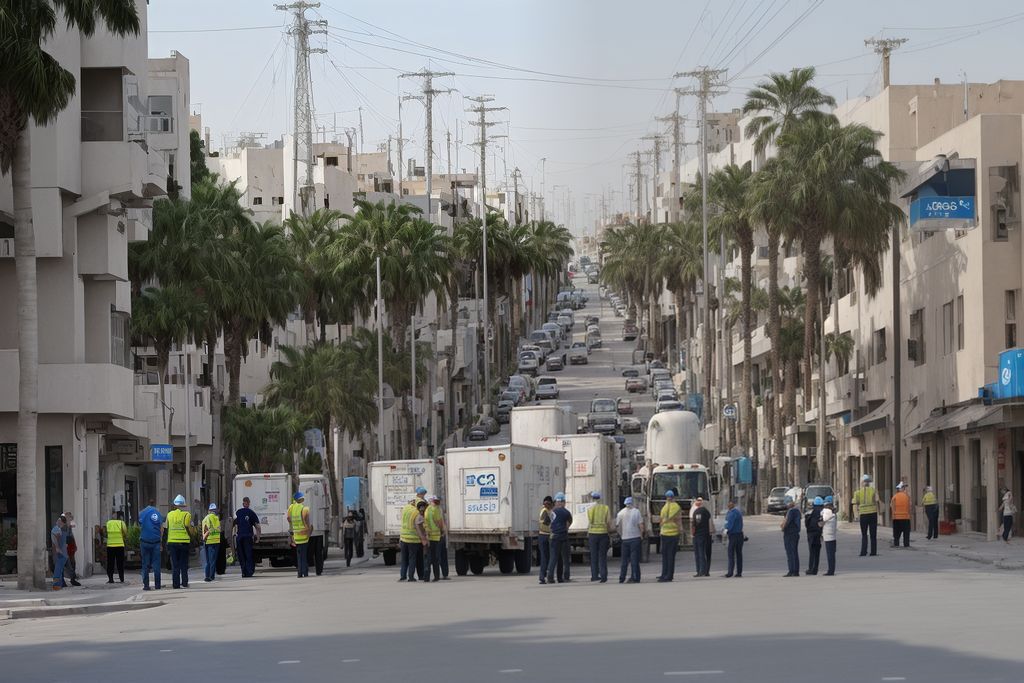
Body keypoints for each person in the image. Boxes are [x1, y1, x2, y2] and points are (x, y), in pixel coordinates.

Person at [165, 495, 193, 589]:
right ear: (184, 505)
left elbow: (167, 528)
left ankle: (176, 584)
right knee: (184, 564)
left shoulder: (169, 515)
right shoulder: (187, 515)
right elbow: (188, 527)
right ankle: (184, 583)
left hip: (172, 542)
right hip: (184, 542)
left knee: (175, 565)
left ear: (174, 505)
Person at [546, 492, 573, 584]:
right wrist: (565, 528)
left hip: (554, 537)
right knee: (565, 559)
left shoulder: (552, 512)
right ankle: (565, 577)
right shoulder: (566, 512)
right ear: (563, 502)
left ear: (556, 502)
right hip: (564, 537)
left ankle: (550, 577)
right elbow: (569, 522)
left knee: (553, 558)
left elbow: (547, 523)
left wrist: (552, 529)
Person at [617, 496, 644, 583]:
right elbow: (641, 525)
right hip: (635, 538)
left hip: (625, 539)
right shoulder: (636, 512)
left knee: (624, 560)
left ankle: (622, 578)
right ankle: (635, 577)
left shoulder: (620, 513)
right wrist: (641, 535)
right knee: (634, 560)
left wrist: (621, 535)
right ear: (632, 503)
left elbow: (617, 526)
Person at [587, 491, 612, 583]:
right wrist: (608, 533)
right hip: (603, 533)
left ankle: (594, 576)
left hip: (593, 534)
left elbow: (590, 520)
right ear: (600, 498)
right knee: (602, 556)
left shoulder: (590, 508)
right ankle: (604, 576)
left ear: (592, 498)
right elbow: (608, 522)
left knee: (593, 556)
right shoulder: (605, 508)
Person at [658, 490, 682, 582]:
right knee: (671, 556)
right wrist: (680, 530)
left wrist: (661, 529)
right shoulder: (677, 507)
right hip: (674, 534)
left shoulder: (664, 507)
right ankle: (669, 575)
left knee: (665, 556)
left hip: (664, 533)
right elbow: (678, 520)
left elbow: (661, 520)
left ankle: (663, 574)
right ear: (673, 497)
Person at [233, 496, 261, 577]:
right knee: (248, 554)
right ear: (249, 503)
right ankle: (249, 572)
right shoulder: (251, 513)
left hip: (239, 537)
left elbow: (233, 524)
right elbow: (258, 526)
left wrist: (233, 536)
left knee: (241, 555)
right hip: (248, 537)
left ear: (243, 503)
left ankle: (243, 572)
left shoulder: (238, 512)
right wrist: (258, 537)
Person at [139, 499, 163, 590]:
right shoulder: (158, 513)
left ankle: (146, 585)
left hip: (144, 541)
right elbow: (161, 529)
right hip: (156, 542)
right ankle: (157, 585)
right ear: (155, 504)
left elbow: (140, 525)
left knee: (145, 564)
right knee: (156, 564)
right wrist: (161, 541)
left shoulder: (142, 513)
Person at [853, 474, 880, 556]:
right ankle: (873, 552)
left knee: (864, 534)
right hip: (873, 514)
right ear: (869, 482)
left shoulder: (857, 492)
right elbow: (877, 500)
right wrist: (879, 511)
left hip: (863, 515)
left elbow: (855, 504)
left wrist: (856, 515)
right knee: (873, 534)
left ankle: (863, 552)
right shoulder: (874, 491)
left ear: (862, 483)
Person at [288, 491, 312, 578]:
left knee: (299, 556)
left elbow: (288, 518)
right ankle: (305, 572)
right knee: (304, 555)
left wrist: (293, 527)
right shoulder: (304, 508)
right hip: (304, 536)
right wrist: (309, 531)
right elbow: (307, 522)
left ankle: (299, 573)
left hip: (296, 535)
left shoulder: (291, 508)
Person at [399, 494, 422, 582]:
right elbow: (418, 526)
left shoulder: (405, 508)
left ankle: (402, 576)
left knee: (404, 559)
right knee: (412, 558)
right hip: (413, 539)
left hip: (403, 538)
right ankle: (411, 577)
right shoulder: (416, 512)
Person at [425, 495, 446, 582]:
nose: (438, 503)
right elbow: (439, 522)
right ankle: (436, 577)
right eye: (437, 501)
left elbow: (426, 521)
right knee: (436, 558)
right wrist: (442, 530)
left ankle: (426, 577)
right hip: (436, 537)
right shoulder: (436, 509)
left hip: (429, 537)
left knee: (428, 558)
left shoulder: (427, 509)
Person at [691, 497, 713, 577]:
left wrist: (693, 533)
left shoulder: (696, 512)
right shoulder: (707, 512)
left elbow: (695, 524)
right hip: (706, 534)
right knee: (706, 553)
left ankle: (700, 571)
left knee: (699, 553)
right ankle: (706, 571)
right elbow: (709, 521)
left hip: (698, 535)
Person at [105, 510, 128, 584]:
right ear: (119, 517)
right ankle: (121, 578)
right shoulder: (121, 523)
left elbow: (106, 533)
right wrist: (123, 536)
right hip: (120, 545)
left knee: (110, 563)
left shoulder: (108, 523)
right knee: (120, 563)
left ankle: (110, 579)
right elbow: (125, 532)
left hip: (110, 545)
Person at [781, 496, 801, 577]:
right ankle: (796, 571)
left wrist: (782, 527)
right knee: (794, 552)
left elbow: (787, 522)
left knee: (790, 552)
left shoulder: (791, 511)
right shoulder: (797, 511)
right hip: (795, 533)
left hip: (789, 533)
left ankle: (791, 570)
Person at [723, 499, 743, 578]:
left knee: (731, 554)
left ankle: (730, 572)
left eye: (729, 504)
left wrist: (725, 531)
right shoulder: (738, 512)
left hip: (733, 535)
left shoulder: (731, 513)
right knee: (739, 554)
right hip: (740, 534)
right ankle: (739, 572)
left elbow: (729, 524)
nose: (728, 506)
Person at [202, 503, 221, 582]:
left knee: (208, 560)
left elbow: (206, 530)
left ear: (208, 510)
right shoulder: (217, 518)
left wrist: (203, 538)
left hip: (209, 541)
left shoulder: (206, 519)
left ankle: (208, 576)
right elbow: (219, 529)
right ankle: (212, 576)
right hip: (216, 541)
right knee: (213, 560)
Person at [805, 496, 824, 575]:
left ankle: (811, 569)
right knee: (817, 552)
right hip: (818, 534)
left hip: (811, 533)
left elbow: (806, 523)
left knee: (812, 552)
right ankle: (815, 569)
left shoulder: (810, 512)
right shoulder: (822, 512)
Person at [62, 512, 81, 587]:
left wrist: (74, 544)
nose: (70, 519)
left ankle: (72, 579)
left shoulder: (69, 526)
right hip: (65, 545)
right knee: (64, 563)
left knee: (72, 563)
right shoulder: (63, 526)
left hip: (70, 545)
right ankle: (63, 580)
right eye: (69, 517)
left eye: (70, 517)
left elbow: (71, 535)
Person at [537, 496, 554, 585]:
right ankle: (542, 577)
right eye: (546, 504)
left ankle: (545, 576)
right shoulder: (545, 511)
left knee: (547, 557)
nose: (546, 505)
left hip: (546, 535)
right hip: (544, 535)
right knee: (545, 557)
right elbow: (545, 523)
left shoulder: (547, 511)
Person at [890, 483, 912, 548]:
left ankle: (896, 543)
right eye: (904, 487)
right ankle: (906, 544)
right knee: (906, 532)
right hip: (905, 517)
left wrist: (893, 515)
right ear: (902, 488)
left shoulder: (895, 496)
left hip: (896, 517)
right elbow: (910, 506)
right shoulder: (907, 496)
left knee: (896, 532)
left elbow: (891, 506)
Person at [50, 515, 67, 591]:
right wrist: (57, 548)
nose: (57, 521)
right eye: (58, 520)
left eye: (59, 521)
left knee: (59, 568)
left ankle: (59, 584)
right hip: (58, 550)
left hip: (60, 550)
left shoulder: (59, 529)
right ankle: (56, 585)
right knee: (58, 568)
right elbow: (56, 539)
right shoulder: (56, 529)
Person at [822, 496, 838, 576]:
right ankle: (831, 569)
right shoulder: (833, 513)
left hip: (828, 537)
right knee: (831, 554)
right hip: (832, 536)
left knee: (830, 555)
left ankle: (830, 571)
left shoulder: (827, 512)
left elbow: (823, 520)